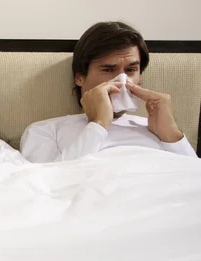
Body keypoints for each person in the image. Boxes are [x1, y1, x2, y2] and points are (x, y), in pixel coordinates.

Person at [20, 21, 197, 162]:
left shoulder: (158, 129)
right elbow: (47, 184)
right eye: (108, 69)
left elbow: (192, 178)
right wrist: (100, 123)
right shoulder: (45, 130)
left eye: (130, 70)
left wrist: (172, 134)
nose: (121, 81)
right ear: (79, 77)